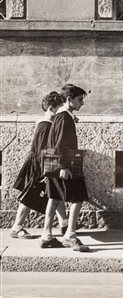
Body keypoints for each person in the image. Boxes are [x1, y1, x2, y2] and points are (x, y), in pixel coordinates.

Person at [10, 92, 68, 241]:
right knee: (30, 196)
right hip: (39, 166)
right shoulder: (46, 126)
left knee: (55, 193)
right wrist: (44, 171)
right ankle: (16, 227)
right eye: (59, 108)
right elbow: (43, 151)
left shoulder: (45, 123)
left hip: (41, 164)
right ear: (51, 108)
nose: (61, 112)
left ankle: (64, 224)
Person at [41, 84, 90, 252]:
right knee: (78, 197)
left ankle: (46, 236)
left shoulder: (61, 116)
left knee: (54, 198)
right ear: (69, 99)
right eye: (80, 99)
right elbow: (61, 142)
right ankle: (70, 235)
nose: (82, 103)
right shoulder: (64, 118)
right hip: (66, 164)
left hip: (54, 163)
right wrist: (64, 166)